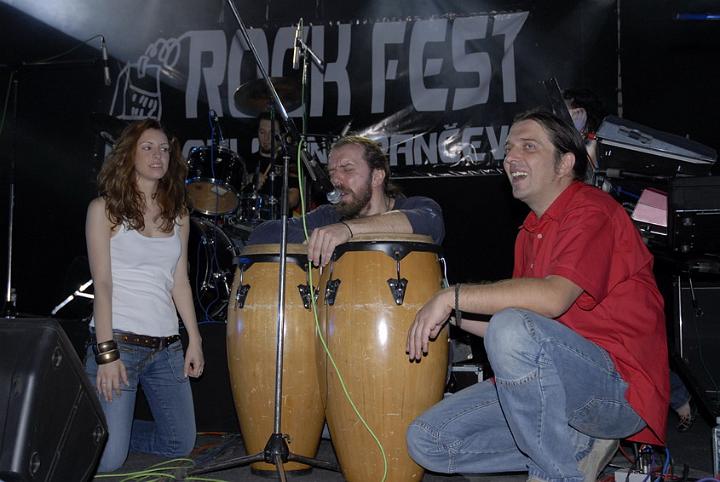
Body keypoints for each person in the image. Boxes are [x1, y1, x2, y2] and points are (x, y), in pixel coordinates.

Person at [405, 109, 669, 482]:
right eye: (509, 149)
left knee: (511, 327)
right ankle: (572, 445)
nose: (511, 158)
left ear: (565, 163)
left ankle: (558, 472)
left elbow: (551, 300)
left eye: (528, 147)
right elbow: (516, 330)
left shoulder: (593, 210)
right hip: (554, 382)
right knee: (427, 440)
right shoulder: (529, 232)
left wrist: (452, 297)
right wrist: (445, 315)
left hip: (617, 390)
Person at [85, 118, 204, 472]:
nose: (158, 155)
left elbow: (179, 281)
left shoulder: (178, 213)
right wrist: (106, 354)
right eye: (148, 147)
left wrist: (194, 340)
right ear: (129, 155)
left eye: (164, 149)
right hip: (119, 342)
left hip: (166, 348)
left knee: (180, 444)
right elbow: (102, 285)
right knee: (108, 460)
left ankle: (106, 431)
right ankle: (94, 432)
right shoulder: (103, 209)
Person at [247, 135, 445, 264]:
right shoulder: (330, 215)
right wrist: (321, 238)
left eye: (347, 169)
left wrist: (348, 230)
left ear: (377, 176)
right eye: (331, 173)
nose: (335, 180)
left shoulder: (414, 205)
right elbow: (262, 234)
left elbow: (431, 222)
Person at [241, 111, 300, 218]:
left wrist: (276, 203)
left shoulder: (288, 162)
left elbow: (294, 198)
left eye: (272, 133)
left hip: (278, 222)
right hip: (249, 221)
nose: (266, 138)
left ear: (281, 135)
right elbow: (233, 193)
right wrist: (250, 180)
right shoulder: (246, 161)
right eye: (262, 132)